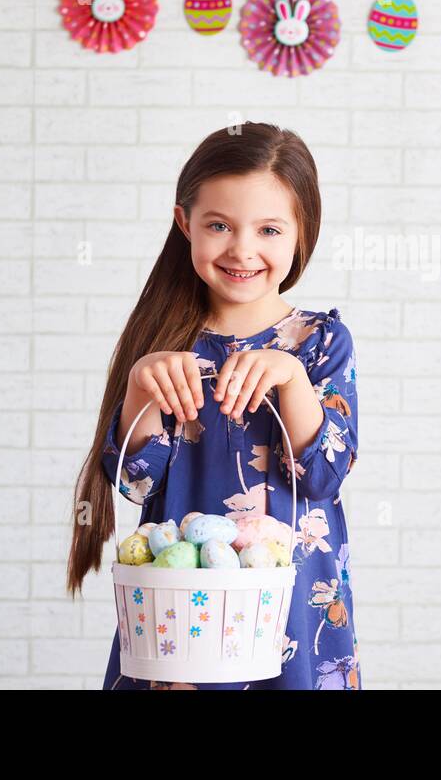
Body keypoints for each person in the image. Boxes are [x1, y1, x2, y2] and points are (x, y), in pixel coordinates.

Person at [65, 122, 362, 690]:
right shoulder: (168, 342)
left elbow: (324, 475)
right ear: (185, 225)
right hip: (181, 614)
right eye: (219, 225)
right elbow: (135, 483)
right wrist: (140, 389)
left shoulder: (319, 343)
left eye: (269, 229)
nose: (242, 250)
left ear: (302, 233)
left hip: (288, 603)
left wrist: (294, 382)